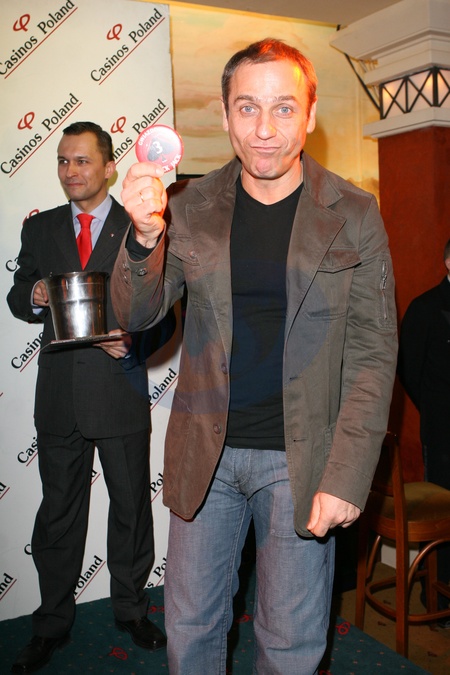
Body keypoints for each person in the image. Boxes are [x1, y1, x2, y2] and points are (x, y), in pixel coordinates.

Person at [111, 38, 398, 674]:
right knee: (190, 631)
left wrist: (347, 474)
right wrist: (145, 237)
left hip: (303, 460)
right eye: (247, 107)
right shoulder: (186, 207)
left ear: (310, 114)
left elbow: (374, 354)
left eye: (283, 108)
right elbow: (136, 316)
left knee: (291, 644)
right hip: (204, 456)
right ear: (224, 114)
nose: (265, 129)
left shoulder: (354, 213)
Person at [7, 121, 172, 674]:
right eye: (62, 160)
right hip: (58, 397)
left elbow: (166, 311)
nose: (70, 171)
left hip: (118, 390)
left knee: (131, 509)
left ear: (109, 167)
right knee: (58, 515)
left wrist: (134, 342)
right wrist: (33, 293)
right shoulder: (40, 228)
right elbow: (18, 295)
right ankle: (50, 624)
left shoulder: (140, 224)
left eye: (81, 161)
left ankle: (131, 610)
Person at [398, 239, 450, 623]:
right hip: (443, 432)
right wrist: (435, 410)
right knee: (444, 518)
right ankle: (439, 604)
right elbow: (409, 371)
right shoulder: (425, 307)